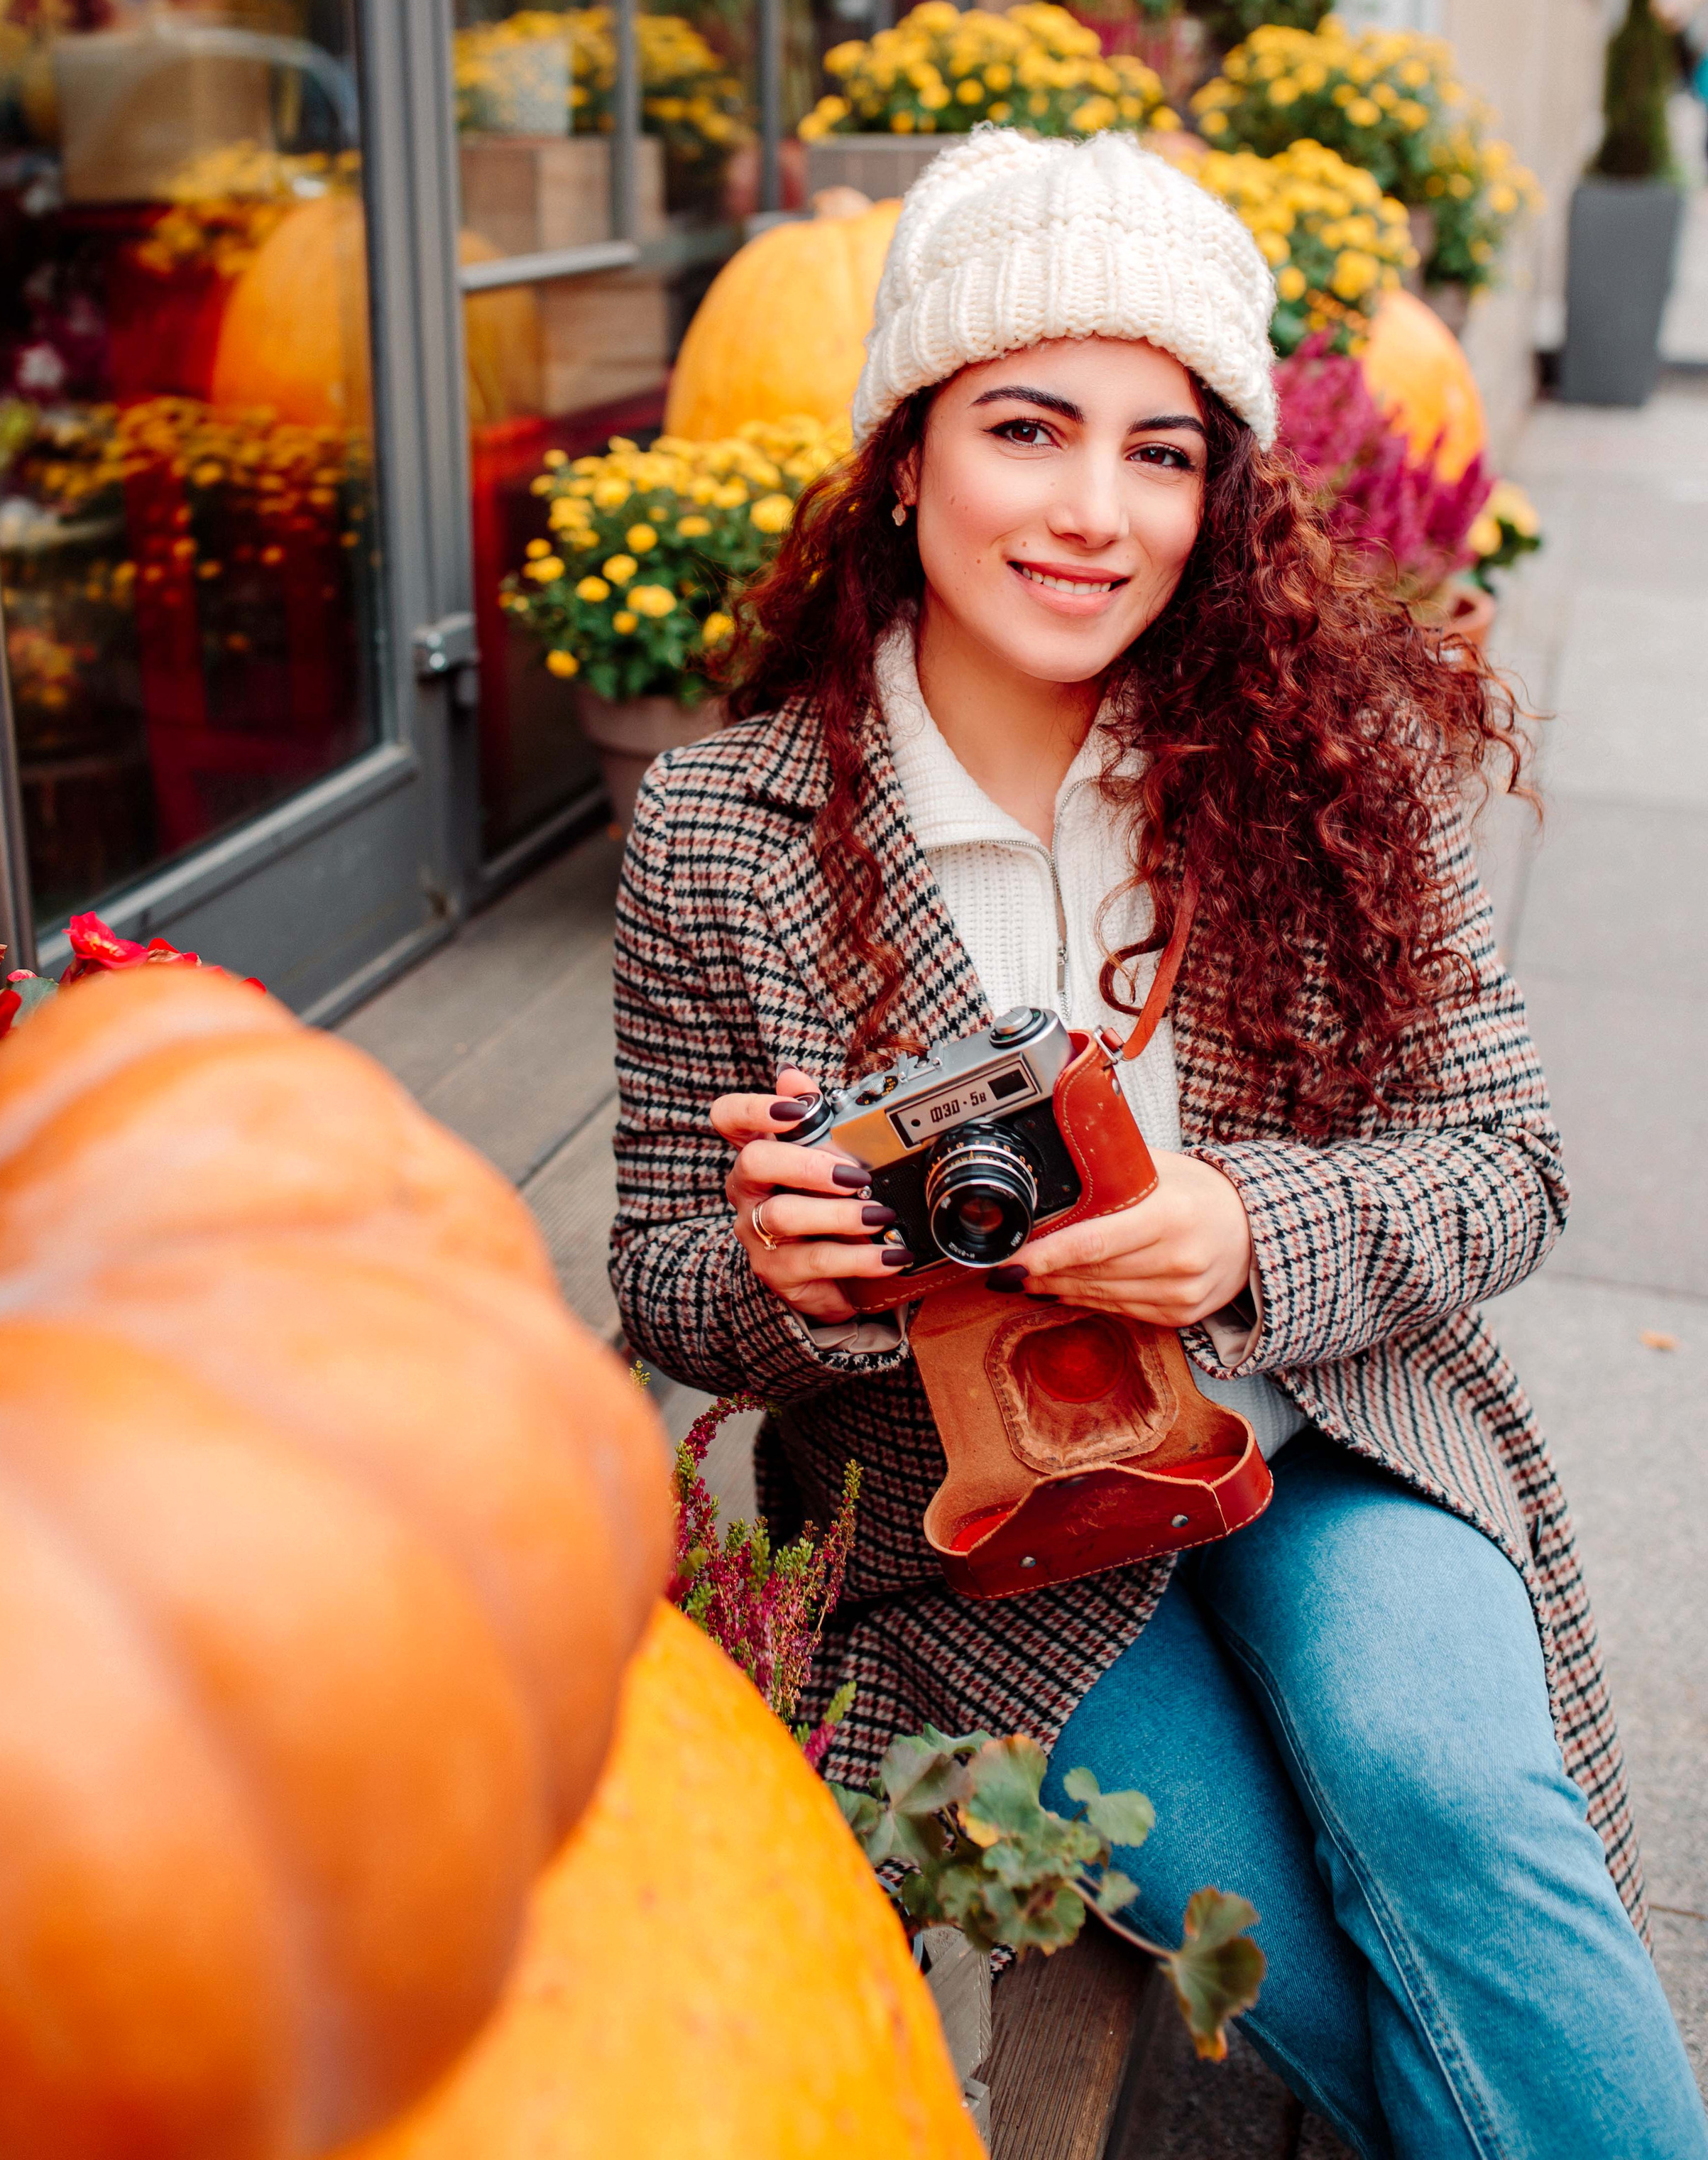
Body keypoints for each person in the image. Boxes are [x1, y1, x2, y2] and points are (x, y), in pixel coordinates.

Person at [609, 129, 1707, 2159]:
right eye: (1029, 428)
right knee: (1276, 1931)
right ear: (908, 451)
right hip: (983, 1522)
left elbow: (1509, 1159)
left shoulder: (1316, 769)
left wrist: (1242, 1228)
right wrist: (779, 1278)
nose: (1094, 514)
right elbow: (658, 1261)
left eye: (1163, 451)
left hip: (1331, 1432)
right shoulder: (722, 832)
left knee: (1451, 1796)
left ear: (1221, 493)